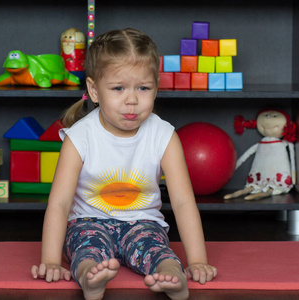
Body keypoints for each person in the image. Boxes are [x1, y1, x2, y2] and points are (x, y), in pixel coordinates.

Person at [31, 28, 217, 300]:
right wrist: (50, 260)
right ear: (94, 90)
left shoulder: (164, 135)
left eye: (143, 88)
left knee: (157, 249)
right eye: (118, 88)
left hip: (143, 222)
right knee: (86, 248)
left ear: (156, 86)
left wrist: (198, 260)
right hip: (88, 221)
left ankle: (172, 276)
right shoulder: (79, 137)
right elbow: (59, 203)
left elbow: (183, 202)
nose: (132, 100)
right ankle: (89, 277)